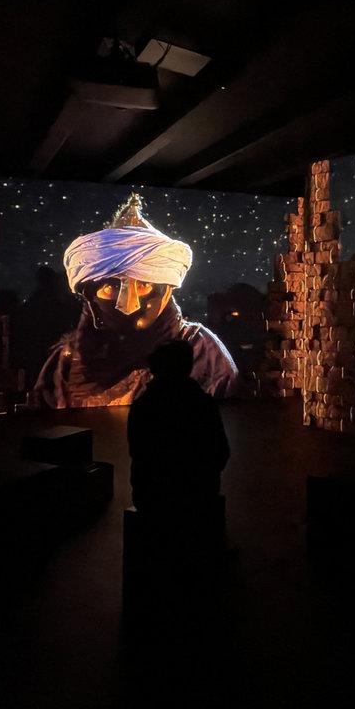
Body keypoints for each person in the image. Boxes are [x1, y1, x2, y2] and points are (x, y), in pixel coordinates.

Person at [33, 194, 238, 408]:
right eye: (110, 287)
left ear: (165, 292)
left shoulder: (199, 349)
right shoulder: (65, 362)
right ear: (90, 298)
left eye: (143, 285)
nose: (128, 305)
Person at [127, 341, 230, 518]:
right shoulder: (202, 404)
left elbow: (138, 453)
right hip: (200, 494)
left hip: (152, 498)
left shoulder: (143, 406)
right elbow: (221, 452)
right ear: (188, 366)